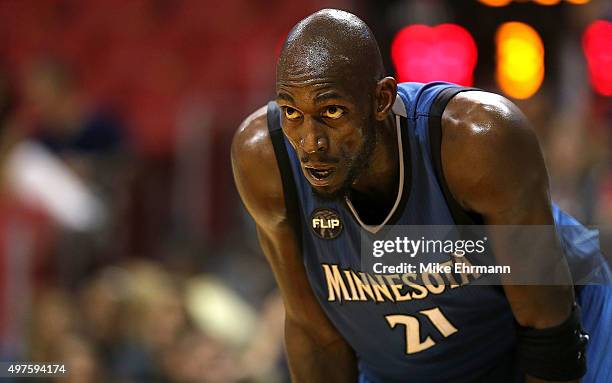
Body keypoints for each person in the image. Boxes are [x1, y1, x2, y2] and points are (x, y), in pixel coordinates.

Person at [231, 9, 611, 383]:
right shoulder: (264, 161)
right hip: (410, 365)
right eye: (292, 112)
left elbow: (547, 326)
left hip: (562, 320)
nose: (311, 143)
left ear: (382, 100)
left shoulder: (478, 140)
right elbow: (314, 332)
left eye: (332, 111)